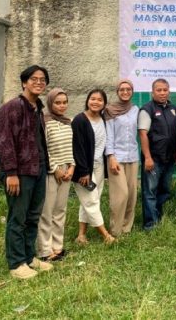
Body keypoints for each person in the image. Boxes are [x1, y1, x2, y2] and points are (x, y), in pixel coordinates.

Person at [0, 64, 54, 279]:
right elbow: (3, 142)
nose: (39, 82)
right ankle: (16, 263)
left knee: (33, 216)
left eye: (42, 79)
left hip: (38, 170)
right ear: (24, 82)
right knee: (18, 217)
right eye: (34, 79)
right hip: (19, 173)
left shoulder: (37, 109)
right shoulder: (12, 107)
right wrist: (10, 173)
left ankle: (29, 257)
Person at [72, 89, 115, 244]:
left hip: (99, 166)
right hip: (84, 169)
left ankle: (81, 235)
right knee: (91, 201)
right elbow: (78, 148)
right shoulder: (79, 120)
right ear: (87, 100)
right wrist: (84, 172)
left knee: (90, 200)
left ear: (104, 104)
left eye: (99, 100)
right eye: (93, 99)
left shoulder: (102, 119)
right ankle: (106, 236)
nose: (96, 102)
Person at [37, 87, 75, 262]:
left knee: (60, 210)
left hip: (67, 169)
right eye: (57, 103)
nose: (61, 106)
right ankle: (45, 250)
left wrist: (72, 167)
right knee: (47, 211)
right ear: (50, 103)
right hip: (51, 171)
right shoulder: (44, 122)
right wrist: (55, 169)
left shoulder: (68, 122)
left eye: (64, 102)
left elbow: (71, 148)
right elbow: (43, 148)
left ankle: (57, 247)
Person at [139, 79, 176, 230]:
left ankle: (159, 218)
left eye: (165, 90)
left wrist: (175, 153)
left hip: (169, 159)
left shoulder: (174, 109)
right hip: (154, 159)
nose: (162, 93)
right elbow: (143, 134)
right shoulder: (147, 109)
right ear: (152, 92)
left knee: (164, 191)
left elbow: (175, 134)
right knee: (150, 192)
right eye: (159, 90)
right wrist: (148, 158)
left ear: (169, 91)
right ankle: (150, 225)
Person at [105, 79, 140, 237]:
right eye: (122, 89)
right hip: (116, 157)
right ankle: (115, 229)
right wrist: (111, 156)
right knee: (121, 194)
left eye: (128, 89)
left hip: (133, 156)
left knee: (132, 194)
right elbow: (109, 135)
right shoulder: (110, 110)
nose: (125, 92)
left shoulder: (135, 110)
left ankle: (127, 227)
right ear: (117, 92)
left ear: (132, 91)